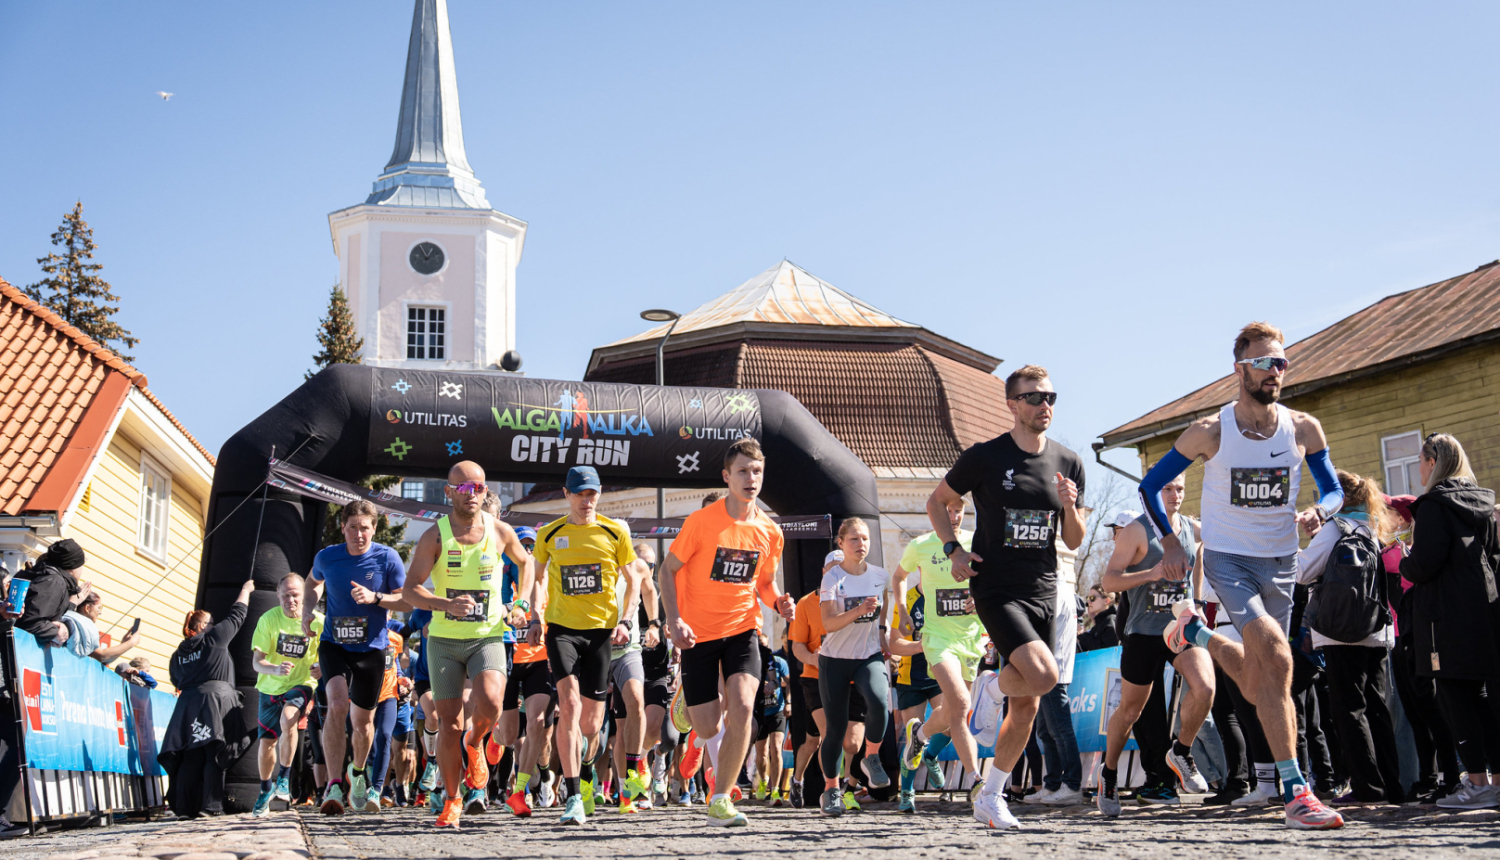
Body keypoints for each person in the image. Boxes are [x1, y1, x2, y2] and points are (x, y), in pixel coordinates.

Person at [1144, 321, 1345, 829]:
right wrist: (1170, 539)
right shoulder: (1210, 432)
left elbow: (1334, 489)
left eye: (1281, 362)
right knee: (1279, 660)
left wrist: (1321, 510)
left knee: (1259, 686)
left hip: (1281, 562)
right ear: (1240, 369)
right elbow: (1150, 485)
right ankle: (1297, 792)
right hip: (1229, 561)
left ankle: (1196, 633)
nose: (1275, 371)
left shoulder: (1303, 429)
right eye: (1264, 362)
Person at [926, 364, 1086, 830]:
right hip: (995, 586)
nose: (1045, 406)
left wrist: (1071, 506)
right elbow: (938, 501)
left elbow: (1073, 540)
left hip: (1044, 587)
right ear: (1012, 404)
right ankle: (992, 688)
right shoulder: (984, 457)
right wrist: (953, 548)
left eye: (1051, 397)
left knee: (1030, 703)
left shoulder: (1069, 461)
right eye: (1034, 398)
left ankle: (991, 796)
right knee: (1044, 675)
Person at [661, 437, 795, 828]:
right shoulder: (701, 523)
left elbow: (765, 585)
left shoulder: (770, 532)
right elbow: (666, 571)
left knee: (742, 708)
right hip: (697, 633)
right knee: (708, 726)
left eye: (757, 471)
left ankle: (720, 798)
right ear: (726, 476)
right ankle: (691, 713)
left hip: (743, 629)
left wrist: (777, 603)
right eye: (742, 471)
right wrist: (674, 620)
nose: (751, 478)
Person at [402, 461, 537, 829]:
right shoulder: (435, 536)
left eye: (478, 487)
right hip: (445, 640)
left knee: (492, 703)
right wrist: (444, 604)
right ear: (449, 492)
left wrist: (522, 604)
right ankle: (452, 799)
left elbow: (528, 565)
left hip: (488, 635)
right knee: (448, 724)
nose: (472, 493)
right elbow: (411, 589)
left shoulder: (499, 530)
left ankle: (476, 742)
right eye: (463, 488)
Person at [1096, 479, 1215, 817]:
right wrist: (1150, 574)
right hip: (1143, 632)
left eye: (1179, 488)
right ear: (1151, 495)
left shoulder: (1193, 528)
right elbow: (1109, 581)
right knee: (1131, 711)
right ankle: (1109, 772)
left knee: (1205, 686)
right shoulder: (1136, 531)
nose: (1175, 495)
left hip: (1180, 627)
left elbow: (1201, 570)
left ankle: (1181, 752)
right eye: (1167, 490)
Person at [531, 466, 643, 825]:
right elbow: (536, 578)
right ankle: (573, 796)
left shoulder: (614, 531)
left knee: (592, 726)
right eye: (579, 494)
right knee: (570, 705)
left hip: (600, 634)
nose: (586, 501)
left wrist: (626, 621)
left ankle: (587, 769)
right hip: (562, 629)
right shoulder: (549, 533)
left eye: (592, 494)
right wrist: (535, 615)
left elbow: (634, 580)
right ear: (567, 495)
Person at [1399, 434, 1500, 810]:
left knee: (1457, 700)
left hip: (1444, 616)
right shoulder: (1484, 503)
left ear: (1432, 462)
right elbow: (1491, 554)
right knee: (1485, 698)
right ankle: (1496, 782)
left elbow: (1425, 564)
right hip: (1483, 610)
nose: (1418, 469)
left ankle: (1476, 783)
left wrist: (1406, 561)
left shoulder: (1433, 506)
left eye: (1420, 461)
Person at [1294, 470, 1403, 804]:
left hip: (1341, 632)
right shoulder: (1372, 528)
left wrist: (1296, 542)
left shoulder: (1335, 528)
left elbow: (1302, 572)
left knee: (1349, 709)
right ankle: (1392, 785)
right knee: (1377, 708)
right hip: (1376, 628)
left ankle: (1367, 786)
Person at [303, 500, 411, 815]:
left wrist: (376, 597)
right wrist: (308, 610)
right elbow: (312, 583)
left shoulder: (387, 558)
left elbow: (407, 601)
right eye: (353, 527)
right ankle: (334, 784)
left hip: (372, 650)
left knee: (363, 722)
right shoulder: (327, 557)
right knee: (336, 705)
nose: (359, 534)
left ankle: (358, 772)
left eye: (365, 528)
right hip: (334, 644)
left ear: (374, 529)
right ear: (343, 528)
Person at [895, 494, 982, 813]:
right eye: (948, 510)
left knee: (959, 713)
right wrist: (902, 608)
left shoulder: (977, 541)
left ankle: (921, 736)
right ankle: (976, 781)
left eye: (959, 511)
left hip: (970, 639)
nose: (954, 516)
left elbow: (993, 579)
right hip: (936, 640)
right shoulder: (919, 545)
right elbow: (898, 578)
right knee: (959, 704)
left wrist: (982, 598)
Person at [815, 519, 892, 818]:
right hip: (834, 659)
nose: (860, 544)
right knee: (834, 730)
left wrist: (882, 632)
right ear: (841, 543)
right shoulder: (832, 578)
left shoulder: (880, 575)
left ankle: (870, 758)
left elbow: (884, 602)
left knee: (879, 701)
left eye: (865, 539)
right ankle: (831, 790)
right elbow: (829, 623)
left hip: (867, 656)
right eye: (853, 539)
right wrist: (858, 610)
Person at [161, 579, 256, 819]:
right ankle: (210, 806)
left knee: (190, 755)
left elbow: (176, 679)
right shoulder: (212, 639)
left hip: (187, 706)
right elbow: (237, 615)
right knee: (215, 753)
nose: (215, 626)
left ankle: (183, 808)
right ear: (203, 625)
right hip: (214, 703)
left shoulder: (177, 653)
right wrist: (245, 590)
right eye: (212, 623)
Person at [250, 573, 323, 816]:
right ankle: (264, 789)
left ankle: (283, 778)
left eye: (295, 595)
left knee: (289, 718)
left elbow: (331, 654)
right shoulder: (268, 619)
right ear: (278, 595)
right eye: (286, 595)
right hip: (270, 686)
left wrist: (323, 667)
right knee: (267, 743)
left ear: (305, 596)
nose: (291, 600)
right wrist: (274, 669)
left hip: (301, 683)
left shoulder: (318, 621)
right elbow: (256, 662)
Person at [498, 527, 558, 817]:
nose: (528, 552)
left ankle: (519, 791)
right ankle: (482, 744)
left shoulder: (547, 582)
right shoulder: (501, 582)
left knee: (536, 725)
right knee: (508, 734)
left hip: (539, 661)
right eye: (522, 546)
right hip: (507, 662)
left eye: (532, 547)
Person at [16, 539, 86, 648]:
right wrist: (57, 632)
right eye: (82, 564)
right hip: (19, 651)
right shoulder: (53, 581)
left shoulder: (53, 578)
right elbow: (31, 622)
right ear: (73, 565)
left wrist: (71, 605)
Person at [751, 632, 789, 804]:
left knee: (776, 748)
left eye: (765, 646)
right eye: (759, 645)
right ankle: (763, 780)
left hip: (777, 710)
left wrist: (788, 702)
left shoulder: (778, 662)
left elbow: (790, 682)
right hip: (759, 711)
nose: (763, 649)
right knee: (762, 754)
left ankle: (775, 791)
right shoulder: (750, 664)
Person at [64, 589, 142, 664]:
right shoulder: (80, 625)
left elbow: (104, 659)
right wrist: (131, 643)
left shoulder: (72, 622)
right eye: (99, 608)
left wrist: (123, 645)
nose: (100, 612)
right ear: (87, 608)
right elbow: (101, 656)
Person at [1076, 585, 1118, 652]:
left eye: (1092, 598)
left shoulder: (1111, 620)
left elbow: (1108, 651)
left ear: (1106, 601)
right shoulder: (1100, 623)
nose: (1088, 602)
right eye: (1088, 598)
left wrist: (1083, 636)